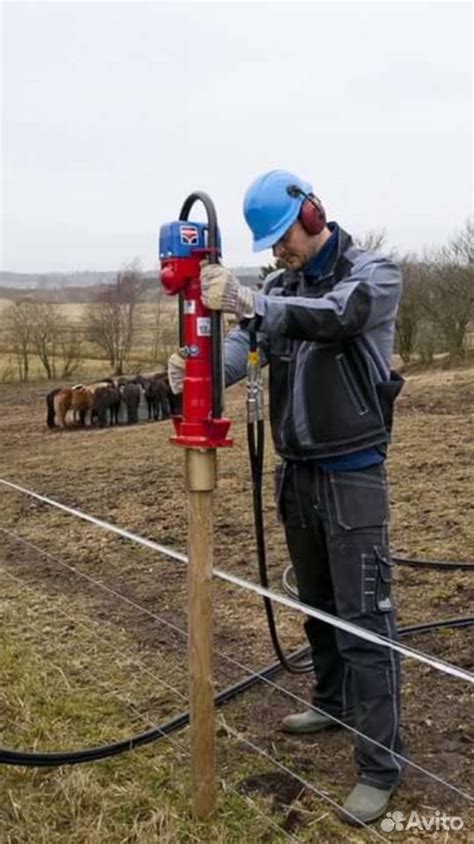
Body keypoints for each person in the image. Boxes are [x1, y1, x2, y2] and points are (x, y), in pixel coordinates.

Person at [168, 169, 405, 826]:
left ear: (313, 213)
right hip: (295, 470)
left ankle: (381, 765)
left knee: (364, 616)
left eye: (282, 239)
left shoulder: (373, 273)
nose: (278, 253)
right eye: (270, 245)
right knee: (316, 600)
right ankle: (331, 701)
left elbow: (339, 318)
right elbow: (246, 345)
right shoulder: (280, 287)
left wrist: (254, 304)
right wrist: (199, 367)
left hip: (352, 471)